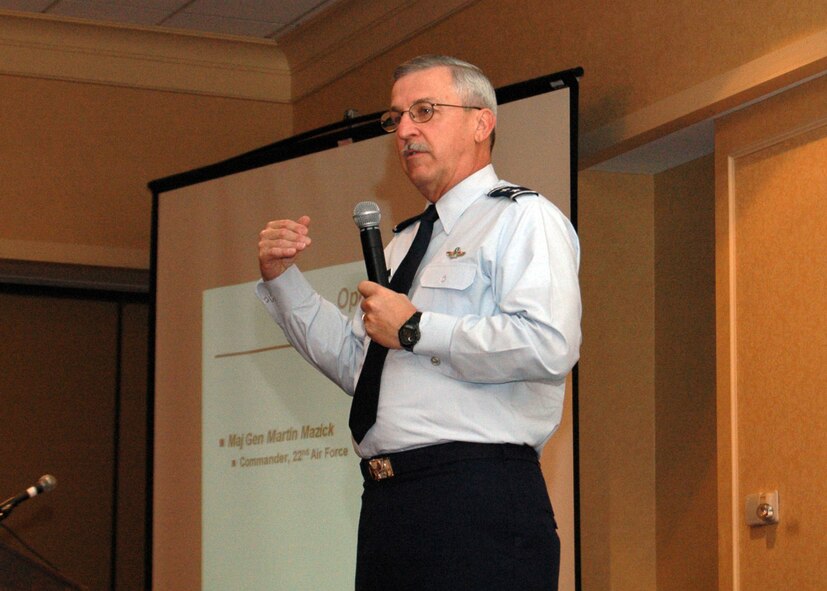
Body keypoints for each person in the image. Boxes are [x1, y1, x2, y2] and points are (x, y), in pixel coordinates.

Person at [256, 55, 581, 591]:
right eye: (396, 118)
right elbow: (361, 367)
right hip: (389, 504)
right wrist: (281, 278)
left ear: (482, 122)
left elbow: (549, 343)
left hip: (476, 501)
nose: (404, 130)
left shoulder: (524, 218)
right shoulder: (406, 242)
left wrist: (414, 328)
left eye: (424, 111)